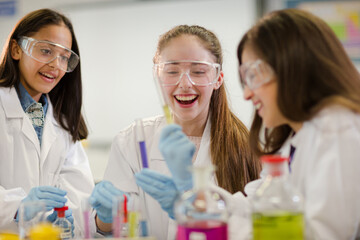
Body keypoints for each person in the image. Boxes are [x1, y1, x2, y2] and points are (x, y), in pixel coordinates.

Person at [139, 8, 360, 240]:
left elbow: (319, 235)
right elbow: (256, 206)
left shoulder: (339, 130)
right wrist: (197, 196)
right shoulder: (296, 138)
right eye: (245, 79)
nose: (246, 93)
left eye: (253, 75)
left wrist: (208, 220)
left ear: (294, 68)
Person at [89, 25, 260, 240]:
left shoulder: (246, 145)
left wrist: (190, 200)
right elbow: (112, 229)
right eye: (171, 71)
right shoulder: (132, 140)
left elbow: (252, 228)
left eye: (198, 71)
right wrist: (105, 218)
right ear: (158, 76)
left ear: (217, 78)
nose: (185, 84)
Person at [0, 9, 94, 237]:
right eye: (45, 51)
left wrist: (66, 220)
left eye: (64, 57)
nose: (56, 65)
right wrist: (15, 208)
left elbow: (80, 199)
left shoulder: (62, 121)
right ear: (16, 50)